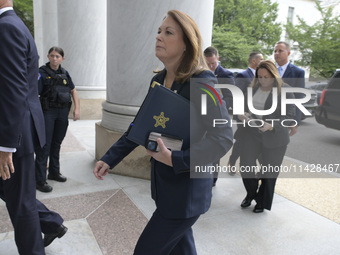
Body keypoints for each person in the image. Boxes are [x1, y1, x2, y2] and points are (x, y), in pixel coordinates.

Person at [94, 10, 233, 254]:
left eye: (168, 32)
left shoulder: (204, 82)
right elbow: (140, 125)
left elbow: (222, 138)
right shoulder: (157, 80)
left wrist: (176, 159)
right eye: (159, 31)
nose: (159, 36)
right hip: (165, 188)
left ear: (186, 43)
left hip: (187, 193)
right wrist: (109, 158)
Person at [0, 1, 67, 254]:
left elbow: (13, 91)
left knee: (22, 204)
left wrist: (6, 146)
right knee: (18, 196)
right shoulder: (13, 25)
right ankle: (51, 223)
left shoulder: (7, 27)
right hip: (18, 131)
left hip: (14, 136)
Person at [235, 60, 295, 213]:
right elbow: (240, 108)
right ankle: (251, 193)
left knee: (269, 173)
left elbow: (290, 116)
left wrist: (273, 125)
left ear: (274, 76)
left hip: (275, 136)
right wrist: (241, 115)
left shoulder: (285, 90)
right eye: (260, 76)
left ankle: (261, 201)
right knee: (246, 166)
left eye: (266, 77)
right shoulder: (252, 89)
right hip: (252, 133)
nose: (263, 80)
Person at [35, 47, 80, 192]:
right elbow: (34, 92)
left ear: (62, 58)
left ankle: (54, 172)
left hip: (62, 112)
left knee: (57, 143)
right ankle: (40, 180)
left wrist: (77, 109)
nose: (55, 59)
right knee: (45, 146)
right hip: (48, 112)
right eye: (52, 56)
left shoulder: (65, 73)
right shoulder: (41, 73)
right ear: (48, 56)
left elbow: (73, 90)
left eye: (58, 56)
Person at [204, 46, 235, 185]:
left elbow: (230, 97)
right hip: (202, 115)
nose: (210, 67)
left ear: (218, 58)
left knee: (214, 146)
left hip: (218, 116)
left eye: (213, 63)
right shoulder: (201, 74)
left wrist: (217, 106)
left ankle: (213, 179)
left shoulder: (226, 75)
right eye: (207, 64)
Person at [228, 52, 263, 171]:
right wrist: (240, 112)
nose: (263, 61)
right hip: (243, 115)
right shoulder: (243, 75)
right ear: (254, 61)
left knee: (257, 140)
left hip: (257, 115)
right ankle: (232, 162)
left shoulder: (261, 76)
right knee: (241, 140)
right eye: (261, 59)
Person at [274, 41, 305, 136]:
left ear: (288, 53)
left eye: (280, 51)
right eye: (275, 51)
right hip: (265, 115)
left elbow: (298, 97)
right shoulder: (267, 69)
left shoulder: (297, 72)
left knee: (277, 145)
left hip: (285, 117)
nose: (276, 53)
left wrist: (294, 121)